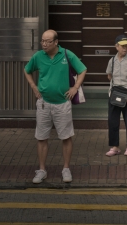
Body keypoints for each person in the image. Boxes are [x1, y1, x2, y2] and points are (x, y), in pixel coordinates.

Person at [24, 30, 87, 184]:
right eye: (42, 41)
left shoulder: (66, 54)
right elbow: (27, 71)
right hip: (44, 103)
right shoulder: (38, 56)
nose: (44, 44)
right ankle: (42, 170)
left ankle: (66, 168)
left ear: (56, 42)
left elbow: (82, 70)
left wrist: (75, 88)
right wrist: (33, 87)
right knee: (41, 137)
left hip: (62, 104)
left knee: (66, 136)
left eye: (48, 41)